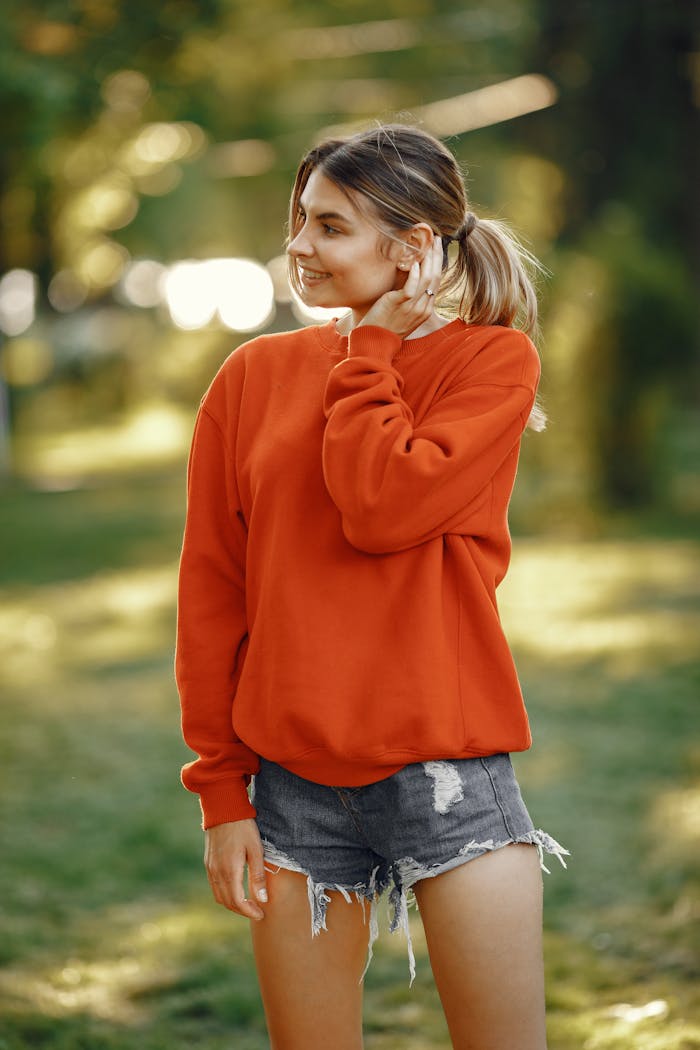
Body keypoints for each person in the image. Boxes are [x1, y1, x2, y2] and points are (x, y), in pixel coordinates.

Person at [175, 123, 568, 1050]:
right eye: (298, 220)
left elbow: (381, 507)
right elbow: (212, 591)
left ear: (414, 247)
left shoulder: (491, 364)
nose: (299, 247)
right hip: (290, 790)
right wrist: (223, 796)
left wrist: (370, 356)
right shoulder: (252, 377)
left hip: (446, 773)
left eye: (330, 225)